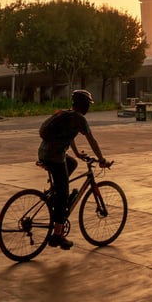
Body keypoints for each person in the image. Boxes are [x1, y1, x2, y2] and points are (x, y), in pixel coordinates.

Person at [38, 89, 110, 250]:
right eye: (88, 105)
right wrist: (101, 160)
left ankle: (52, 192)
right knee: (63, 195)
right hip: (54, 157)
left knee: (72, 164)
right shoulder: (80, 120)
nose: (88, 108)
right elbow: (92, 140)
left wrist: (77, 153)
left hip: (44, 153)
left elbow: (69, 137)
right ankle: (57, 235)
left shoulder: (67, 115)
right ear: (83, 105)